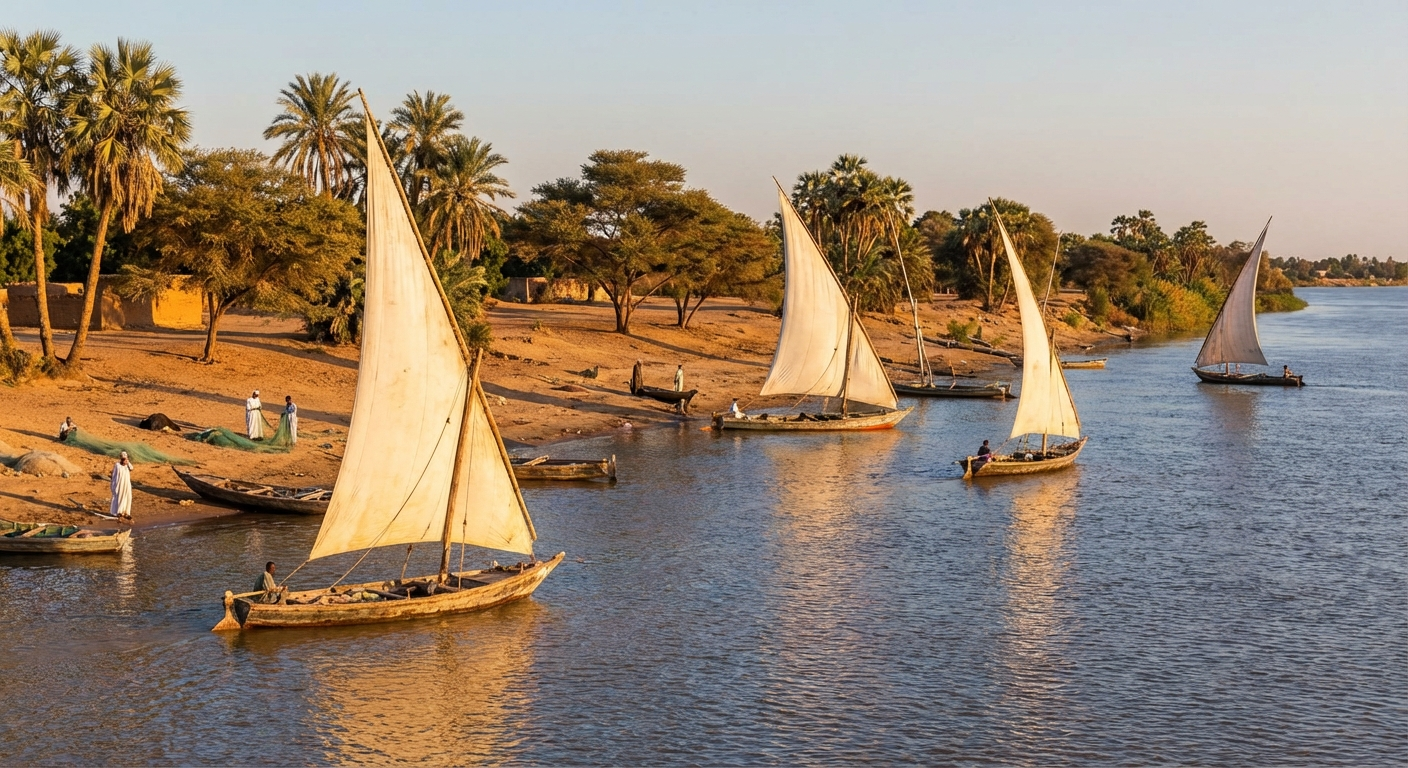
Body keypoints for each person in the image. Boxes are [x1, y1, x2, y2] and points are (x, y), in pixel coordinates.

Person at [110, 451, 133, 521]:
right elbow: (114, 475)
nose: (124, 461)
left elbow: (131, 468)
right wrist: (114, 484)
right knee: (120, 497)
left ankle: (127, 512)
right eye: (123, 459)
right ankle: (119, 512)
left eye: (125, 459)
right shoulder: (117, 465)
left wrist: (128, 462)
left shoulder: (127, 465)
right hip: (120, 484)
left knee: (128, 497)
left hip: (127, 484)